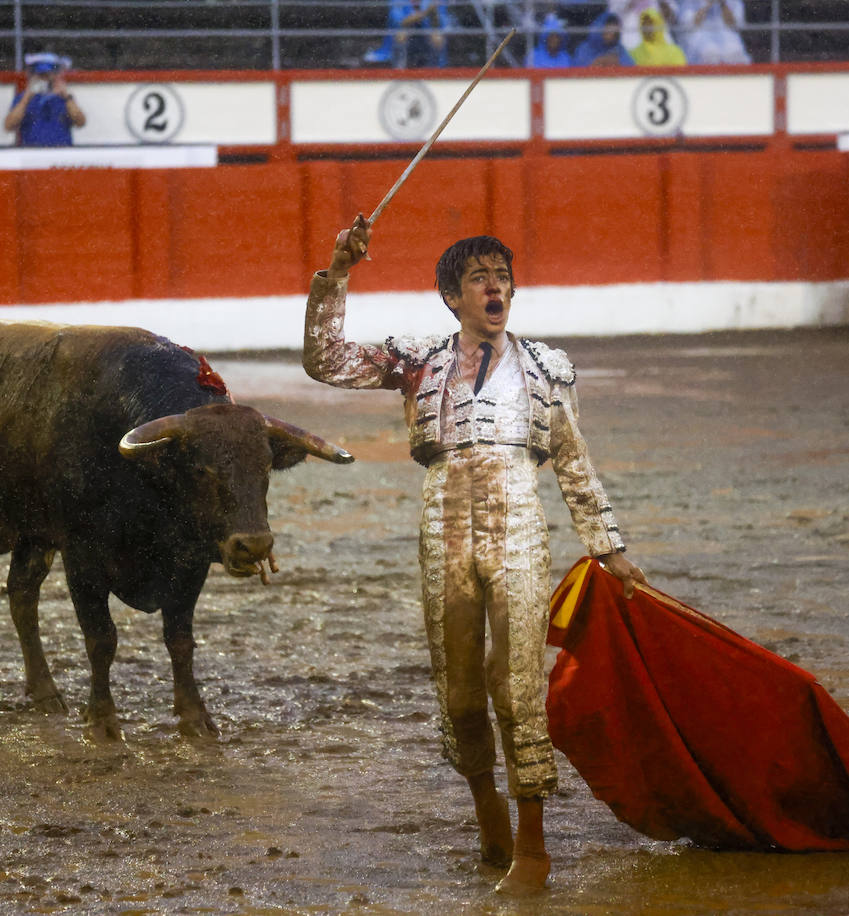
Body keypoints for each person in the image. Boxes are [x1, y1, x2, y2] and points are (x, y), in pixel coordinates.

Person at [303, 215, 648, 895]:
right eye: (479, 278)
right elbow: (326, 361)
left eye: (503, 277)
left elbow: (573, 462)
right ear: (452, 296)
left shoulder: (547, 366)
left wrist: (609, 547)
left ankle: (534, 849)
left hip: (518, 511)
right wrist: (337, 274)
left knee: (515, 684)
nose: (496, 287)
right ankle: (488, 810)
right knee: (460, 692)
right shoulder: (417, 358)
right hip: (443, 516)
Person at [3, 52, 86, 148]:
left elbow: (81, 122)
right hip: (31, 152)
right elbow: (8, 126)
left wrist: (66, 96)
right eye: (41, 76)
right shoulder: (23, 99)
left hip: (62, 152)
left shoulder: (65, 99)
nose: (45, 80)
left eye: (48, 75)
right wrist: (26, 98)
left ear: (56, 76)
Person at [363, 0, 450, 68]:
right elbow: (399, 22)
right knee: (401, 35)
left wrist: (434, 14)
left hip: (425, 36)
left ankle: (435, 70)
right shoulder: (398, 1)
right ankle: (399, 69)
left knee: (438, 38)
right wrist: (425, 13)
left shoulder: (432, 1)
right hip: (408, 36)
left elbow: (441, 24)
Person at [675, 0, 750, 65]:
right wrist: (707, 4)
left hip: (724, 31)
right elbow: (690, 24)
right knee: (710, 51)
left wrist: (722, 3)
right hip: (698, 32)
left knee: (734, 50)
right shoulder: (689, 2)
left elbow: (735, 25)